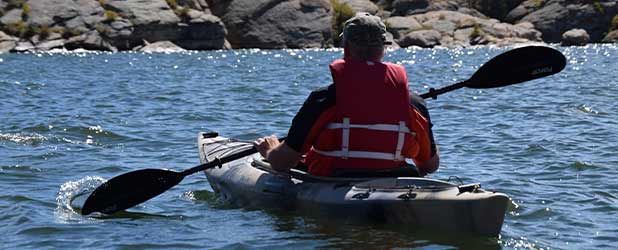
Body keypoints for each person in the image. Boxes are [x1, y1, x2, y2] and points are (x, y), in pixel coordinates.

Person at [253, 13, 439, 177]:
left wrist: (269, 151)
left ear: (346, 48)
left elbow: (282, 162)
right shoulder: (413, 102)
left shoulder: (324, 99)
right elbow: (430, 165)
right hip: (393, 182)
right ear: (383, 48)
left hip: (335, 181)